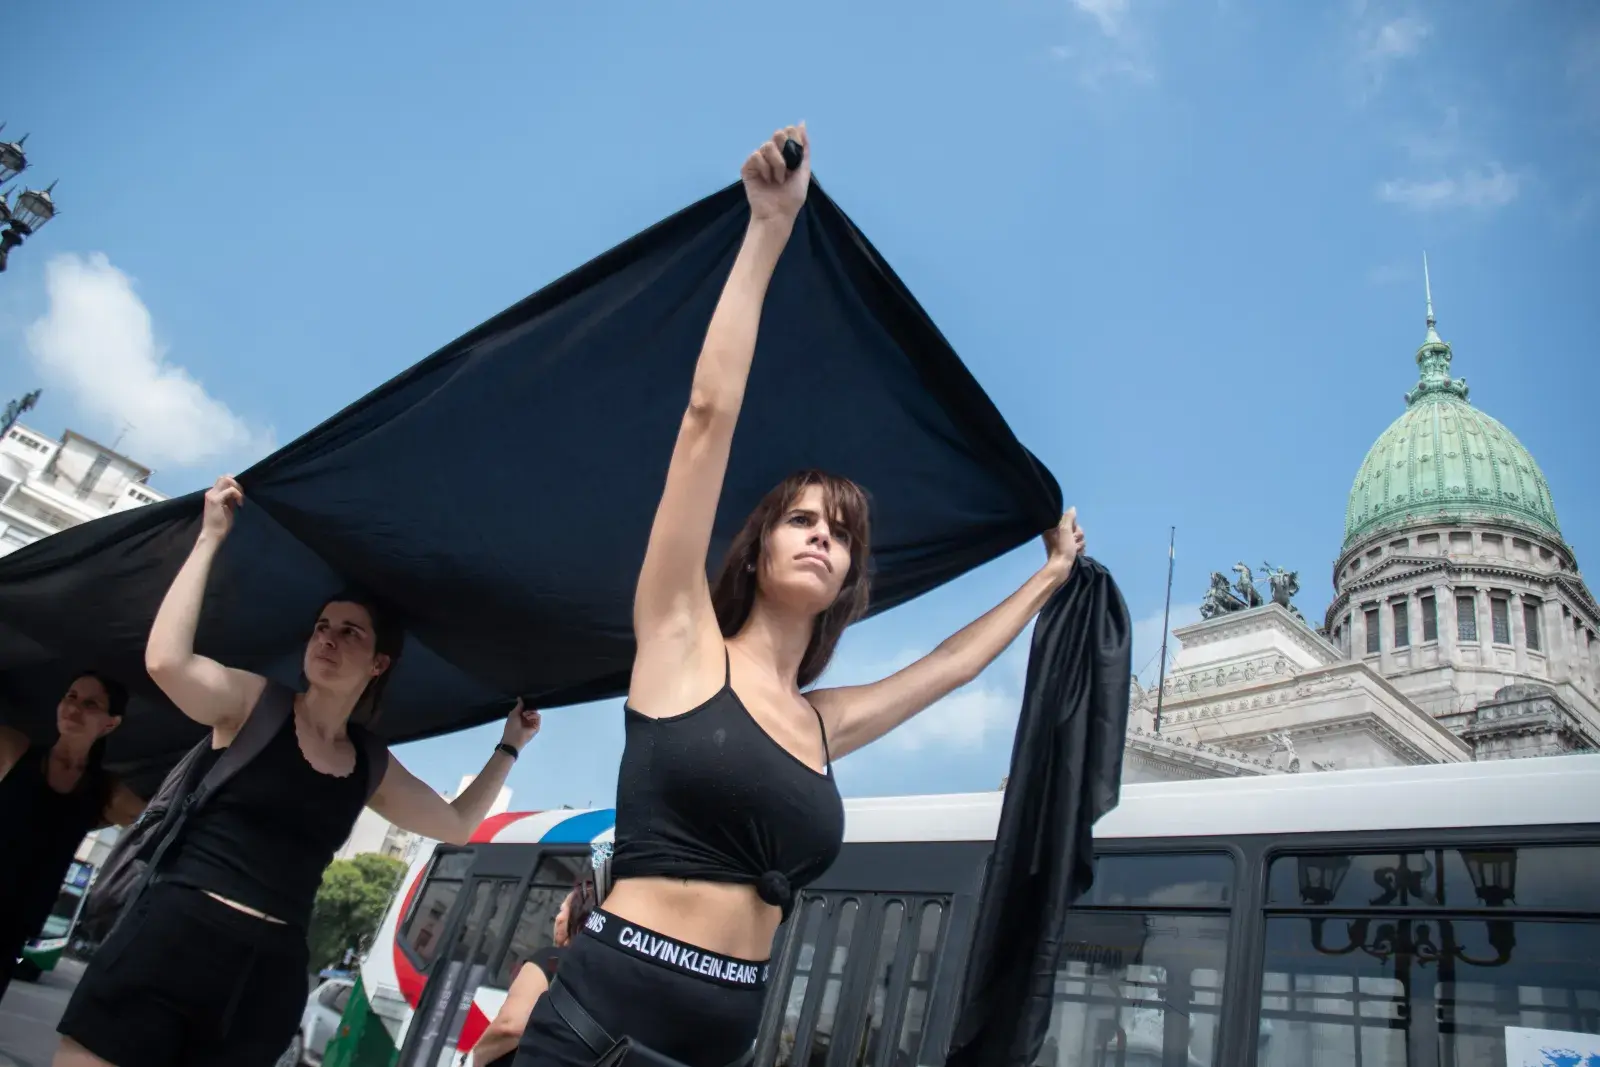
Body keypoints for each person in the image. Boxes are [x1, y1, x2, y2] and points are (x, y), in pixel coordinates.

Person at [516, 124, 1086, 1066]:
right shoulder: (678, 636)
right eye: (804, 519)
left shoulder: (824, 724)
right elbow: (707, 421)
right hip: (596, 1030)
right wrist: (769, 228)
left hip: (724, 1044)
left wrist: (1049, 574)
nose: (826, 534)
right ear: (758, 546)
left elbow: (950, 664)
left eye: (845, 531)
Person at [54, 475, 544, 1067]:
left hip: (264, 975)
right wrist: (210, 538)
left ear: (379, 662)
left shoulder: (369, 761)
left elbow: (458, 824)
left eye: (349, 632)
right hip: (171, 937)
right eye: (321, 628)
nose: (328, 640)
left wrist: (509, 746)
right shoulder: (253, 702)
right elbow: (165, 661)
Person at [0, 672, 147, 999]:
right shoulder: (13, 749)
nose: (73, 709)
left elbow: (158, 823)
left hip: (13, 925)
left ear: (110, 723)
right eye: (71, 696)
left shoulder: (105, 791)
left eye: (90, 704)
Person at [468, 875, 598, 1067]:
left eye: (562, 910)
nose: (557, 918)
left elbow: (510, 1026)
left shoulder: (550, 960)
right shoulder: (600, 974)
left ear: (577, 918)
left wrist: (474, 1058)